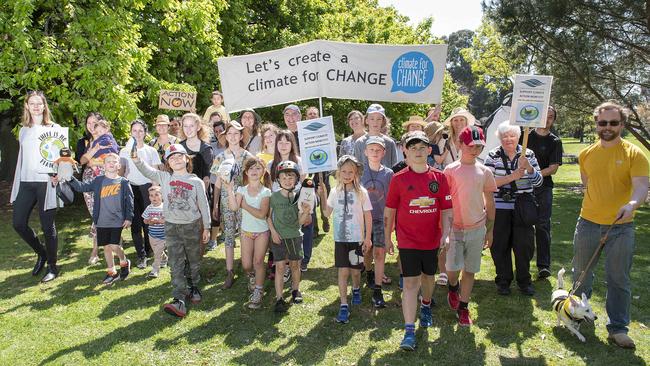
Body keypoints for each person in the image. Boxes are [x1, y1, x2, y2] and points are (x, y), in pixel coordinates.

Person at [572, 101, 649, 349]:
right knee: (582, 275)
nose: (607, 127)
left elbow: (641, 187)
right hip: (588, 224)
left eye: (613, 123)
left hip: (621, 227)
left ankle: (618, 329)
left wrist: (633, 204)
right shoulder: (586, 154)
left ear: (622, 124)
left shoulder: (634, 154)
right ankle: (577, 316)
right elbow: (587, 184)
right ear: (596, 124)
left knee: (618, 279)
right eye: (602, 123)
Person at [384, 131, 452, 350]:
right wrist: (387, 237)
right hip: (407, 240)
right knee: (411, 282)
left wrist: (446, 233)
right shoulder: (398, 179)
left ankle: (426, 304)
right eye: (412, 148)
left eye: (422, 147)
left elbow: (447, 209)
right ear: (405, 151)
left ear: (429, 150)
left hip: (431, 240)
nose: (418, 151)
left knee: (428, 278)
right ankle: (409, 331)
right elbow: (390, 210)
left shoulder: (439, 178)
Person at [133, 144, 211, 318]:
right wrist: (136, 159)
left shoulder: (196, 181)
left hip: (192, 225)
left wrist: (206, 227)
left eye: (179, 156)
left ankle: (193, 285)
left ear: (187, 159)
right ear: (167, 163)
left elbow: (204, 206)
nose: (176, 159)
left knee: (194, 259)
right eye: (171, 157)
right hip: (172, 226)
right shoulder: (164, 177)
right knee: (175, 262)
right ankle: (179, 298)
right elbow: (147, 171)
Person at [443, 126, 497, 326]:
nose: (475, 150)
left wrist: (490, 230)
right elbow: (444, 200)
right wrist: (444, 228)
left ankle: (464, 307)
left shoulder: (485, 171)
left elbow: (489, 202)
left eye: (479, 146)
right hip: (454, 228)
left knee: (470, 269)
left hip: (477, 228)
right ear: (460, 144)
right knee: (452, 268)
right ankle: (452, 287)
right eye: (471, 146)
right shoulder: (450, 170)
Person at [484, 121, 543, 296]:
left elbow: (539, 182)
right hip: (500, 207)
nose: (508, 139)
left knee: (523, 246)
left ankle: (524, 281)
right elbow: (488, 184)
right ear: (499, 138)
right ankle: (503, 280)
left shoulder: (528, 154)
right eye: (504, 136)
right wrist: (513, 176)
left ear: (518, 137)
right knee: (500, 245)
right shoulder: (493, 155)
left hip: (523, 207)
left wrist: (530, 169)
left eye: (512, 135)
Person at [11, 91, 62, 282]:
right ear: (27, 106)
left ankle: (53, 266)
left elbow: (63, 156)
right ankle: (41, 253)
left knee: (48, 226)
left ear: (44, 106)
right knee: (18, 223)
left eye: (39, 103)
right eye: (32, 103)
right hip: (26, 182)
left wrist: (59, 174)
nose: (35, 107)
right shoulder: (23, 130)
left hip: (45, 183)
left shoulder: (54, 128)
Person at [319, 155, 372, 324]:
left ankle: (356, 288)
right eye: (344, 171)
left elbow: (368, 215)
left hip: (356, 239)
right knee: (343, 271)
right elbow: (327, 213)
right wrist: (323, 195)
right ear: (338, 173)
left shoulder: (361, 192)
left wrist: (367, 238)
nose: (347, 174)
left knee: (355, 271)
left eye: (351, 171)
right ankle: (343, 304)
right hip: (340, 240)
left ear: (356, 173)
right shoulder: (335, 192)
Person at [68, 153, 134, 285]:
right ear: (104, 165)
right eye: (108, 161)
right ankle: (111, 272)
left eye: (114, 161)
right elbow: (83, 187)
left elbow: (130, 201)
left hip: (117, 219)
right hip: (101, 220)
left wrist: (129, 217)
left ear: (118, 165)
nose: (111, 163)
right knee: (106, 246)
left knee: (114, 245)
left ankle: (124, 261)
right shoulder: (98, 181)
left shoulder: (123, 182)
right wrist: (69, 178)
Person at [434, 107, 475, 287]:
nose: (458, 123)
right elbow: (439, 161)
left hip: (467, 186)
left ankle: (463, 268)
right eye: (455, 120)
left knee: (466, 228)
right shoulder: (445, 140)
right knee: (446, 228)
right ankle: (443, 270)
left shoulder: (474, 139)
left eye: (461, 120)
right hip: (448, 186)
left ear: (467, 122)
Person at [211, 121, 255, 288]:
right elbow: (217, 183)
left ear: (241, 135)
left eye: (236, 133)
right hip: (226, 200)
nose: (233, 136)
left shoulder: (248, 157)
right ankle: (229, 271)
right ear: (225, 136)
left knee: (245, 233)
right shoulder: (220, 157)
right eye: (229, 134)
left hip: (244, 200)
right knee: (229, 234)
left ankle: (248, 268)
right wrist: (215, 204)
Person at [225, 157, 272, 309]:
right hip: (246, 232)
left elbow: (261, 214)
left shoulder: (266, 192)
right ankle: (252, 277)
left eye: (258, 168)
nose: (254, 171)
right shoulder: (241, 190)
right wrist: (229, 191)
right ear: (246, 172)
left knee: (258, 262)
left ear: (263, 172)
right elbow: (233, 207)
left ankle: (258, 291)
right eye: (251, 168)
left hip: (262, 232)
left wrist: (244, 205)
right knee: (246, 265)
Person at [267, 161, 312, 312]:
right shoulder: (273, 197)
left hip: (294, 236)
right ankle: (279, 298)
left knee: (295, 265)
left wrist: (305, 212)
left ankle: (295, 290)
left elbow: (299, 223)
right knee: (280, 267)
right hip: (278, 237)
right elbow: (267, 216)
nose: (287, 180)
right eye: (284, 178)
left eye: (291, 177)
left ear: (296, 180)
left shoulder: (299, 197)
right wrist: (273, 232)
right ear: (278, 180)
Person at [524, 106, 563, 279]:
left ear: (554, 120)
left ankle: (543, 266)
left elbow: (553, 168)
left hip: (544, 188)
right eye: (545, 116)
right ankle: (522, 263)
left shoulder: (555, 141)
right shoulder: (526, 136)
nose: (547, 119)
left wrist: (535, 174)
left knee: (542, 225)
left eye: (551, 117)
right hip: (524, 187)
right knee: (523, 226)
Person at [120, 119, 161, 269]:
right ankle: (141, 255)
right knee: (135, 223)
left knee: (148, 222)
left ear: (145, 133)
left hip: (147, 188)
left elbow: (155, 173)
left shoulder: (151, 151)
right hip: (131, 189)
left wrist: (155, 192)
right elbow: (122, 172)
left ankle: (151, 249)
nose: (137, 133)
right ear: (131, 132)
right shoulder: (124, 151)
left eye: (140, 131)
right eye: (134, 130)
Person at [360, 136, 394, 307]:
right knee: (367, 251)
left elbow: (393, 200)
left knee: (380, 253)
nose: (374, 153)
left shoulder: (388, 174)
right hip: (364, 219)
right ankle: (369, 272)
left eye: (378, 150)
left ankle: (378, 290)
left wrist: (392, 223)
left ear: (383, 152)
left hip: (382, 219)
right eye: (371, 149)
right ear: (365, 152)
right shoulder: (359, 172)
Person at [76, 112, 109, 265]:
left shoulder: (108, 138)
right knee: (95, 213)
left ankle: (108, 245)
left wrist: (96, 163)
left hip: (106, 178)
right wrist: (92, 153)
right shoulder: (84, 142)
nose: (91, 126)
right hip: (89, 181)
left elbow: (114, 160)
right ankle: (97, 249)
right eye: (88, 123)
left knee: (107, 211)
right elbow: (82, 161)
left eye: (94, 122)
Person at [353, 104, 399, 168]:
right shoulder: (359, 142)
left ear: (383, 121)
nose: (375, 122)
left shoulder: (390, 143)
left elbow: (394, 166)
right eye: (372, 119)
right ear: (366, 120)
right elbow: (356, 167)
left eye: (379, 119)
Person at [206, 113, 227, 251]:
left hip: (231, 184)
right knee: (216, 209)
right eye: (216, 131)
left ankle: (227, 232)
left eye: (221, 131)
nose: (219, 133)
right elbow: (213, 169)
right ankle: (213, 239)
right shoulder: (211, 147)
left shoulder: (232, 146)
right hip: (215, 182)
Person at [179, 113, 213, 190]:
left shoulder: (206, 149)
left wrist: (199, 197)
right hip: (181, 191)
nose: (188, 129)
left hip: (199, 191)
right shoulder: (179, 147)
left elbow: (206, 178)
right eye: (185, 126)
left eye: (191, 126)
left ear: (198, 127)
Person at [142, 186, 168, 278]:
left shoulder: (165, 207)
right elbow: (145, 220)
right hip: (152, 235)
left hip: (163, 235)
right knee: (157, 251)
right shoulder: (149, 208)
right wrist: (149, 221)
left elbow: (167, 220)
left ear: (162, 196)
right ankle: (164, 259)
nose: (154, 197)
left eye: (156, 195)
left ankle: (155, 270)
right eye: (151, 196)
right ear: (149, 198)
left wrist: (159, 220)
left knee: (157, 253)